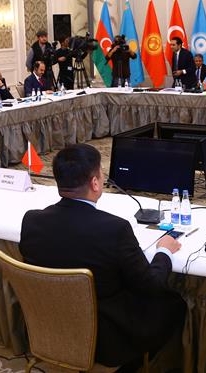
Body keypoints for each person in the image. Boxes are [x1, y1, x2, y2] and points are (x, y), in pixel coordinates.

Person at [20, 144, 185, 368]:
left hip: (49, 325)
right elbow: (151, 285)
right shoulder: (115, 229)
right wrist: (164, 250)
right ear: (95, 183)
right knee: (174, 303)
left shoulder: (31, 220)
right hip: (105, 340)